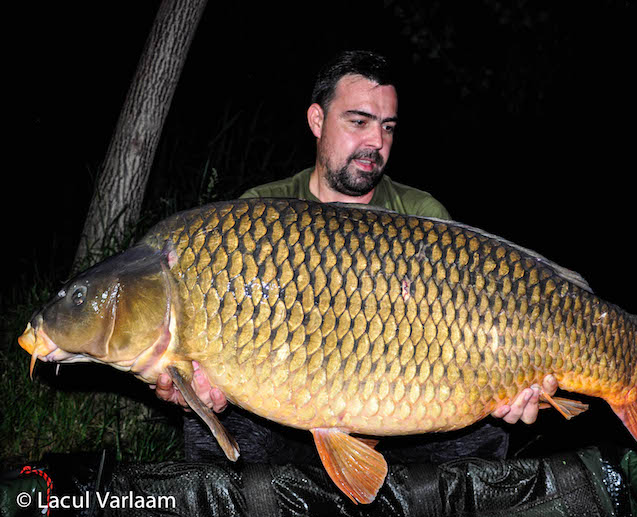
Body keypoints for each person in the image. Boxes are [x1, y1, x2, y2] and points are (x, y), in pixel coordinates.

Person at [153, 50, 558, 464]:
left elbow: (479, 323)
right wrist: (193, 390)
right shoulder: (259, 214)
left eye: (387, 127)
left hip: (403, 412)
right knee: (218, 423)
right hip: (289, 416)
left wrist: (514, 385)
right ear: (317, 120)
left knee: (484, 429)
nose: (376, 142)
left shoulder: (422, 215)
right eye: (358, 121)